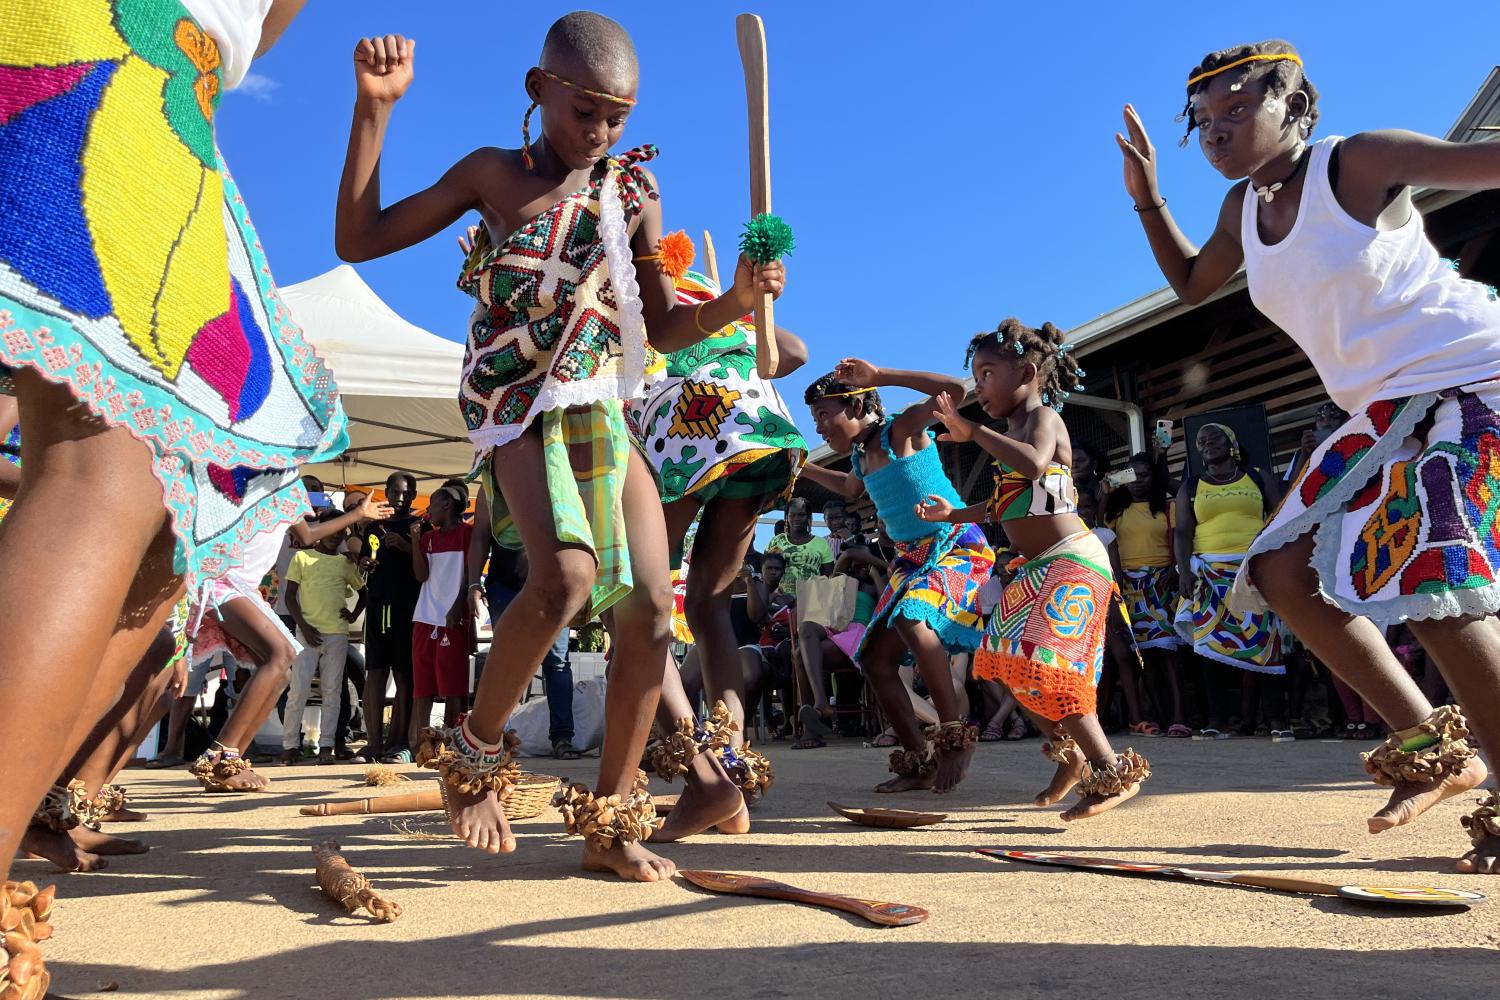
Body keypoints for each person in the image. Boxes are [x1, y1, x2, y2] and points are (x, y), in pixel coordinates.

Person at [334, 11, 785, 881]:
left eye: (618, 115)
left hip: (605, 408)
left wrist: (734, 300)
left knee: (654, 607)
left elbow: (663, 325)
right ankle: (470, 759)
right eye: (585, 111)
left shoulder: (632, 191)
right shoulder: (491, 175)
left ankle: (611, 825)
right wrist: (374, 112)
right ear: (538, 90)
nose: (601, 132)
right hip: (519, 405)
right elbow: (360, 239)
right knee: (566, 578)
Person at [0, 7, 349, 954]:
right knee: (102, 479)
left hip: (123, 68)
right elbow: (262, 25)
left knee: (160, 532)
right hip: (114, 61)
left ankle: (54, 796)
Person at [1119, 38, 1500, 871]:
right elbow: (1191, 285)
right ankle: (1436, 750)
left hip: (1476, 376)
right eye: (1202, 120)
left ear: (1293, 105)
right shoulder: (1240, 211)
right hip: (1379, 409)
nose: (1214, 131)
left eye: (1235, 109)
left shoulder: (1357, 162)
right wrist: (1149, 198)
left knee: (1436, 574)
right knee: (1284, 571)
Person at [923, 320, 1151, 820]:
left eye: (987, 373)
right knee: (1006, 663)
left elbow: (1032, 466)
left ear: (1026, 372)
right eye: (975, 374)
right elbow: (1008, 503)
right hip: (1035, 569)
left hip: (1073, 560)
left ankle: (1110, 771)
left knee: (1048, 667)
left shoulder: (1043, 420)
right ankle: (1069, 759)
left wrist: (972, 433)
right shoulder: (1008, 433)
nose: (978, 386)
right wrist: (953, 515)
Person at [634, 261, 808, 838]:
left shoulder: (634, 290)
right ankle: (731, 763)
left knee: (637, 605)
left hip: (687, 423)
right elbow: (793, 351)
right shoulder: (715, 294)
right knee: (708, 604)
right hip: (760, 427)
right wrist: (752, 305)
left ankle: (705, 778)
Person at [799, 363, 994, 795]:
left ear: (857, 403)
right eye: (815, 418)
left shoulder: (900, 431)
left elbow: (952, 389)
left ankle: (955, 736)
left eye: (825, 414)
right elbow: (851, 489)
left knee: (910, 619)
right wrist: (804, 468)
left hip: (954, 544)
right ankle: (917, 763)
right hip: (910, 561)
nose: (820, 426)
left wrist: (880, 375)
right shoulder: (860, 456)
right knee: (873, 659)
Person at [1172, 424, 1288, 739]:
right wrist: (1184, 570)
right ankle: (1217, 720)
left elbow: (1279, 517)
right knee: (1212, 645)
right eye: (1201, 441)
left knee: (1264, 641)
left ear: (1232, 442)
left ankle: (1277, 720)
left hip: (1253, 570)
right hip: (1208, 573)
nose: (1207, 443)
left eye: (1215, 437)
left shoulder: (1258, 476)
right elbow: (1182, 531)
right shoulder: (1191, 486)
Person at [468, 512, 580, 759]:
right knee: (507, 663)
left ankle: (562, 737)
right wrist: (473, 583)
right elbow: (480, 536)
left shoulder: (560, 475)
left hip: (554, 586)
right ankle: (497, 738)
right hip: (505, 587)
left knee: (558, 663)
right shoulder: (492, 480)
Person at [1106, 452, 1191, 736]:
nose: (1138, 481)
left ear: (1155, 477)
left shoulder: (1168, 506)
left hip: (1162, 583)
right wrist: (1109, 487)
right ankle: (1162, 716)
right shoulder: (1116, 512)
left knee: (1169, 653)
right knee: (1146, 657)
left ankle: (1180, 715)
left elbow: (1183, 536)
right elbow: (1098, 531)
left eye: (1144, 475)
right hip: (1130, 588)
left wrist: (1176, 569)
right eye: (1131, 475)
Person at [281, 511, 368, 765]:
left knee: (333, 691)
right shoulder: (302, 558)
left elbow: (363, 592)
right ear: (321, 530)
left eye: (340, 532)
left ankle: (328, 745)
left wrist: (352, 615)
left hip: (336, 634)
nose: (335, 536)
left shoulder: (345, 563)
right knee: (298, 690)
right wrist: (304, 627)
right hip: (307, 633)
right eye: (331, 531)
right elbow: (289, 597)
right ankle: (289, 745)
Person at [360, 473, 424, 762]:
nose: (401, 498)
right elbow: (365, 566)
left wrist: (408, 546)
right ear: (386, 491)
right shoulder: (373, 527)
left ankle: (398, 739)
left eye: (407, 493)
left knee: (404, 674)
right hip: (377, 604)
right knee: (374, 672)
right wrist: (365, 563)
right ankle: (373, 741)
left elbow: (427, 567)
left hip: (407, 607)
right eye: (396, 492)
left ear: (413, 496)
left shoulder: (419, 526)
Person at [409, 485, 473, 752]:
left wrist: (459, 606)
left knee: (453, 685)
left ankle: (453, 742)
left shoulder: (468, 534)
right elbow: (421, 576)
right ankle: (420, 744)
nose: (428, 511)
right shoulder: (428, 539)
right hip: (425, 616)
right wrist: (414, 542)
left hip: (453, 618)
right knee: (423, 684)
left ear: (446, 505)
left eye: (432, 504)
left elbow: (471, 573)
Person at [766, 498, 834, 596]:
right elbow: (766, 572)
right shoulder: (776, 541)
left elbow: (828, 579)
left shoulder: (821, 543)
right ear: (786, 517)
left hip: (811, 602)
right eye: (792, 515)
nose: (796, 518)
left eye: (801, 515)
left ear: (808, 517)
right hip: (779, 602)